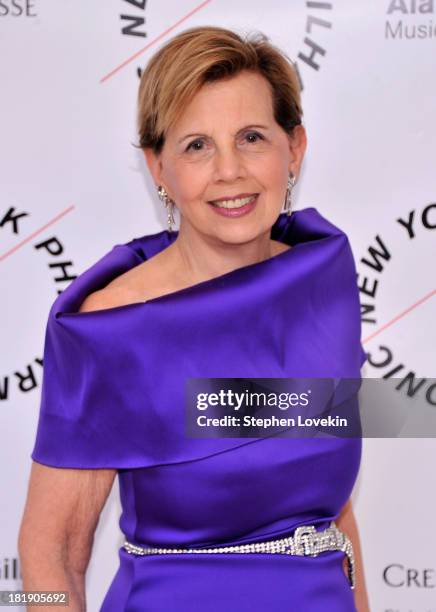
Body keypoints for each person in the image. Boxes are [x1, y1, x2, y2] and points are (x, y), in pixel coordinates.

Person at [19, 25, 370, 611]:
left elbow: (331, 504)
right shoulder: (111, 324)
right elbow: (50, 548)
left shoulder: (323, 280)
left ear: (295, 148)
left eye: (252, 137)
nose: (229, 171)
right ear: (158, 167)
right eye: (197, 146)